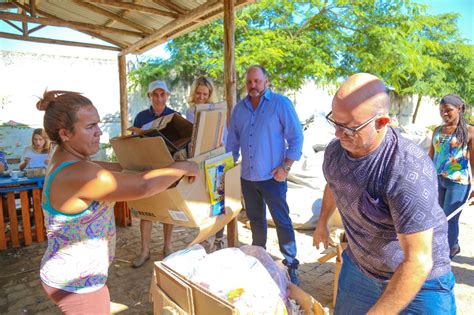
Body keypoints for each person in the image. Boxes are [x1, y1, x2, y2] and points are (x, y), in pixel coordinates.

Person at [37, 90, 198, 314]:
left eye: (98, 124)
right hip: (78, 286)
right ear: (65, 133)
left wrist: (157, 161)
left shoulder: (67, 159)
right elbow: (142, 186)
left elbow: (126, 169)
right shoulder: (78, 173)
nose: (99, 132)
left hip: (69, 276)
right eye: (90, 126)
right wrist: (182, 168)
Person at [312, 73, 455, 314]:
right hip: (359, 270)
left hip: (421, 282)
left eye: (348, 128)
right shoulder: (335, 153)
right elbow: (334, 185)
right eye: (335, 122)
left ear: (381, 122)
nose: (338, 134)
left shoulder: (407, 168)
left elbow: (418, 261)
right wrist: (322, 223)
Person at [226, 65, 304, 285]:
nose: (253, 85)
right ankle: (259, 261)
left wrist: (285, 167)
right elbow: (232, 143)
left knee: (281, 221)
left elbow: (296, 138)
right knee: (256, 221)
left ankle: (290, 265)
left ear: (266, 82)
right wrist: (227, 170)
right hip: (248, 178)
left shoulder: (280, 104)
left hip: (273, 178)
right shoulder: (239, 109)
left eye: (257, 81)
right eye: (249, 81)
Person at [132, 80, 178, 268]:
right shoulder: (141, 117)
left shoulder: (175, 116)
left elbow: (181, 143)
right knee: (147, 210)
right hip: (148, 169)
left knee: (169, 209)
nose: (159, 98)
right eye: (155, 95)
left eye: (162, 94)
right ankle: (144, 251)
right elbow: (133, 143)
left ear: (167, 96)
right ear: (149, 96)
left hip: (168, 168)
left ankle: (167, 248)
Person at [428, 94, 473, 259]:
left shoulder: (469, 131)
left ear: (459, 109)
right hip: (437, 181)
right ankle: (453, 246)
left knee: (448, 220)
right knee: (437, 219)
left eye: (448, 110)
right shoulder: (437, 131)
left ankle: (443, 259)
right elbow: (430, 156)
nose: (444, 114)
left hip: (458, 183)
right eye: (441, 111)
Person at [186, 76, 226, 251]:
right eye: (198, 93)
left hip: (216, 158)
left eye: (205, 94)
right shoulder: (189, 112)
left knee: (217, 201)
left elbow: (224, 136)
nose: (201, 97)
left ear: (210, 95)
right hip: (197, 161)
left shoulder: (216, 110)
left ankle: (218, 238)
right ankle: (203, 237)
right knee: (201, 202)